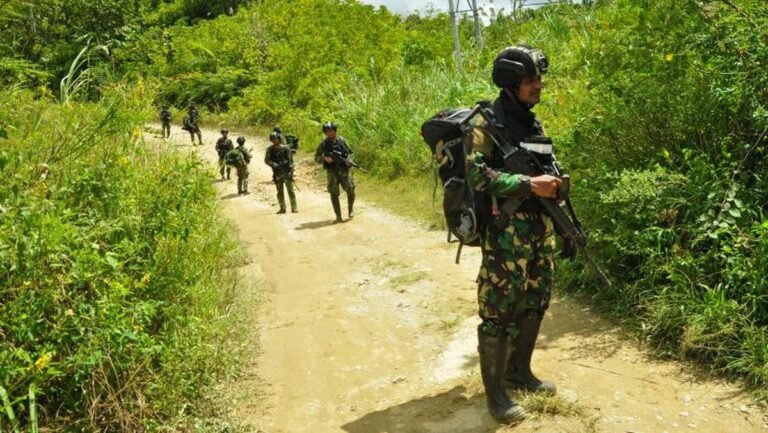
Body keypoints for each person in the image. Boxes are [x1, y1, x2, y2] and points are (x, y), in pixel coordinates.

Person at [466, 45, 563, 423]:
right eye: (530, 80)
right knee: (499, 311)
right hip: (506, 233)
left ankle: (518, 371)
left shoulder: (531, 121)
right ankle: (496, 395)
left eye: (539, 78)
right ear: (510, 83)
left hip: (540, 229)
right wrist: (528, 184)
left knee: (536, 300)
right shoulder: (485, 123)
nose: (538, 85)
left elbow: (544, 169)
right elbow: (477, 174)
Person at [314, 122, 355, 223]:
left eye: (331, 131)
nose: (330, 133)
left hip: (344, 170)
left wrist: (349, 160)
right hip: (332, 172)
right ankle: (338, 216)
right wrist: (325, 158)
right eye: (327, 132)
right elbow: (316, 157)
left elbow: (350, 153)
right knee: (334, 193)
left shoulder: (341, 140)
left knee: (350, 189)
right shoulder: (324, 144)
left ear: (335, 131)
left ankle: (350, 209)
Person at [265, 131, 298, 213]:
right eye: (272, 139)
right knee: (280, 192)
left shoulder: (285, 148)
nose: (274, 141)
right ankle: (282, 208)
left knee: (290, 191)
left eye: (275, 139)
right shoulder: (270, 149)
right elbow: (266, 160)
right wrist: (273, 164)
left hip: (286, 172)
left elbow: (291, 162)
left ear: (279, 139)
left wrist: (291, 172)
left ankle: (294, 207)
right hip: (277, 173)